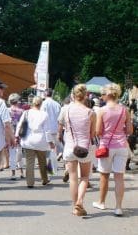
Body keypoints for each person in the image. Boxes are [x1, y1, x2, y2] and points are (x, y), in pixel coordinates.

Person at [93, 83, 133, 216]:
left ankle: (101, 202)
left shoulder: (102, 111)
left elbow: (98, 131)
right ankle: (118, 207)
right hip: (121, 146)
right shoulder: (124, 110)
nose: (101, 97)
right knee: (119, 177)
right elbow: (129, 130)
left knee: (104, 175)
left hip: (106, 146)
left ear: (108, 95)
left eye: (103, 94)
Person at [58, 85, 95, 216]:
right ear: (86, 96)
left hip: (70, 147)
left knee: (73, 178)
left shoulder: (65, 110)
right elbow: (92, 134)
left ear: (73, 95)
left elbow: (61, 127)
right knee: (84, 177)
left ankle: (75, 207)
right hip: (85, 148)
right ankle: (80, 201)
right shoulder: (90, 112)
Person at [16, 96, 53, 188]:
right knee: (42, 161)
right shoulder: (44, 114)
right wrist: (50, 141)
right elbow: (47, 130)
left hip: (28, 140)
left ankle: (30, 182)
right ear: (41, 103)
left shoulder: (26, 112)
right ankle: (44, 179)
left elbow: (20, 125)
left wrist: (17, 136)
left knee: (29, 162)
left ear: (32, 103)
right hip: (40, 140)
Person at [41, 89, 61, 175]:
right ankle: (53, 165)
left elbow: (41, 117)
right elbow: (60, 118)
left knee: (45, 148)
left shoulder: (43, 104)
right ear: (52, 94)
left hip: (46, 129)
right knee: (54, 148)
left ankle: (48, 166)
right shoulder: (57, 104)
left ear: (45, 95)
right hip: (55, 128)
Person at [8, 93, 24, 180]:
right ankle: (21, 172)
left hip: (10, 134)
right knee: (19, 153)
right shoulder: (22, 111)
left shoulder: (7, 110)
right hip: (20, 134)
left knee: (12, 154)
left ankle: (13, 173)